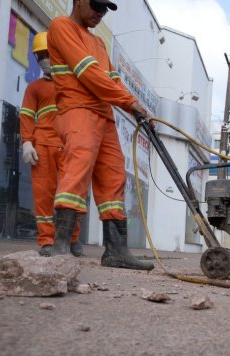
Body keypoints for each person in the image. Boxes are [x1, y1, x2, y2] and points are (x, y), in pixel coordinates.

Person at [47, 0, 153, 270]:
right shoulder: (62, 26)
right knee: (77, 170)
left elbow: (113, 80)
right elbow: (88, 73)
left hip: (104, 115)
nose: (101, 14)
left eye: (105, 10)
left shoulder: (99, 44)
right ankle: (61, 245)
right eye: (96, 7)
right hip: (77, 109)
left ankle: (116, 251)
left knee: (113, 177)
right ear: (79, 2)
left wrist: (134, 107)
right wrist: (129, 103)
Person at [19, 31, 83, 257]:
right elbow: (26, 115)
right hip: (43, 146)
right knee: (43, 195)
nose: (45, 59)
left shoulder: (73, 84)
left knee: (72, 195)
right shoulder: (34, 88)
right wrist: (27, 142)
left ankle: (72, 240)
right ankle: (47, 241)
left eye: (48, 53)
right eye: (41, 55)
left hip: (68, 146)